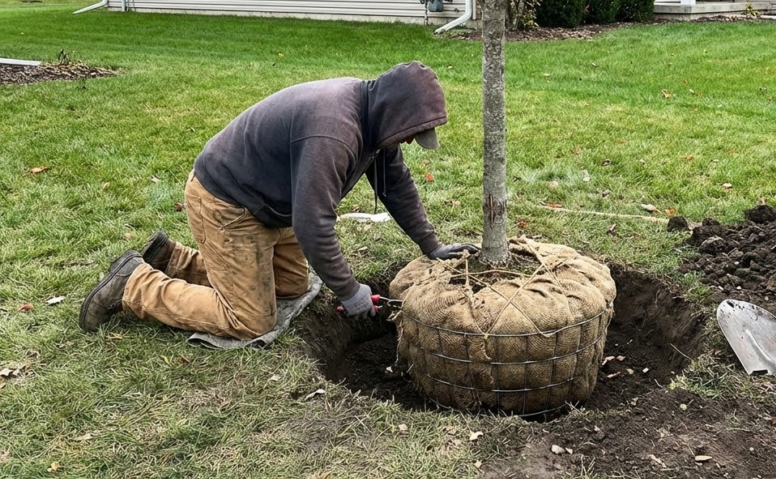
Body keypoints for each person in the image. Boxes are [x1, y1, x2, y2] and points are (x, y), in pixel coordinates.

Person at [79, 61, 478, 338]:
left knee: (290, 287)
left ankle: (172, 259)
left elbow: (397, 186)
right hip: (228, 202)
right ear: (394, 113)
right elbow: (313, 224)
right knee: (250, 320)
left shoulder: (375, 119)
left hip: (270, 204)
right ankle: (135, 285)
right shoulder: (333, 132)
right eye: (411, 132)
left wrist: (431, 245)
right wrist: (348, 290)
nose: (410, 141)